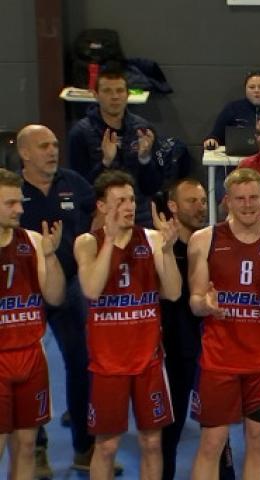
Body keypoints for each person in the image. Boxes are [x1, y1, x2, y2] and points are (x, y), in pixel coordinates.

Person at [187, 168, 260, 479]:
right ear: (227, 201)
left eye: (253, 197)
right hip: (218, 360)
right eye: (240, 199)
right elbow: (195, 302)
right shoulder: (204, 240)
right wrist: (205, 305)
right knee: (211, 443)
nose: (247, 204)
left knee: (258, 441)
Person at [73, 169, 182, 479]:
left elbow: (174, 292)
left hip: (148, 361)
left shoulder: (152, 239)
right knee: (106, 446)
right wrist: (110, 241)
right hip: (108, 365)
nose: (129, 206)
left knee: (151, 442)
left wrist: (167, 251)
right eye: (120, 200)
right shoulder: (87, 243)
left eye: (132, 199)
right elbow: (91, 289)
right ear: (102, 206)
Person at [16, 125, 101, 476]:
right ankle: (36, 448)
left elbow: (96, 211)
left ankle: (84, 446)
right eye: (43, 146)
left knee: (81, 363)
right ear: (24, 153)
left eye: (54, 144)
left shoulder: (73, 183)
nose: (52, 151)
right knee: (27, 371)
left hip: (68, 285)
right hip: (23, 294)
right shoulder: (12, 191)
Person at [159, 178, 235, 480]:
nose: (200, 207)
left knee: (217, 429)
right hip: (174, 350)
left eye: (203, 201)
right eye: (191, 201)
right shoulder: (160, 246)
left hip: (212, 348)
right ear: (173, 206)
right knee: (169, 430)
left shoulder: (215, 243)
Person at [0, 168, 65, 480]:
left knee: (26, 445)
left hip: (30, 355)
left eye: (20, 202)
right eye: (10, 203)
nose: (20, 209)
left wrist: (50, 257)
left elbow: (55, 296)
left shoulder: (34, 241)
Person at [67, 70, 164, 227]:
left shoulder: (144, 130)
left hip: (139, 218)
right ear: (95, 95)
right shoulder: (80, 134)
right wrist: (105, 162)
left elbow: (152, 187)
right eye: (107, 91)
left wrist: (145, 159)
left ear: (127, 94)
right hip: (102, 220)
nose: (115, 96)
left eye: (119, 90)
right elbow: (79, 190)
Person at [203, 71, 260, 149]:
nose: (256, 91)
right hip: (237, 158)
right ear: (245, 90)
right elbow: (215, 136)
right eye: (252, 87)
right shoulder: (232, 108)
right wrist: (212, 140)